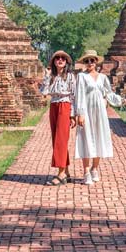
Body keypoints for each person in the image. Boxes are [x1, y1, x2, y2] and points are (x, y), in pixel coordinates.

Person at [73, 49, 126, 185]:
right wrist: (80, 114)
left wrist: (123, 100)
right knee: (86, 138)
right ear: (84, 63)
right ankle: (86, 171)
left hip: (100, 111)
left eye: (92, 60)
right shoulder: (82, 77)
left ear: (96, 62)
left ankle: (95, 169)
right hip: (87, 111)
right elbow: (79, 96)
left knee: (99, 138)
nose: (90, 63)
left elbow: (109, 94)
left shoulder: (103, 78)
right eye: (87, 61)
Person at [39, 50, 77, 185]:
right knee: (57, 138)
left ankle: (60, 174)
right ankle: (66, 171)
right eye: (57, 58)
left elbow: (74, 96)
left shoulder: (70, 77)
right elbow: (43, 92)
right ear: (54, 61)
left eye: (63, 58)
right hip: (54, 105)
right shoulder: (52, 76)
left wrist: (73, 115)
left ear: (66, 62)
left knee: (61, 139)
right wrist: (47, 76)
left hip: (65, 105)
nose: (60, 60)